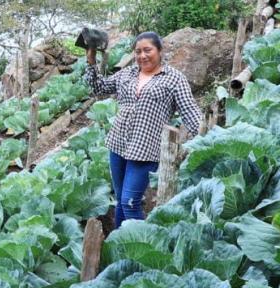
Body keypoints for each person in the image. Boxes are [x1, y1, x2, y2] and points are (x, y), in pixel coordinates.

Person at [85, 31, 201, 228]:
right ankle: (120, 245)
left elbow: (190, 112)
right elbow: (98, 88)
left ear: (160, 50)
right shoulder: (128, 73)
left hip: (146, 150)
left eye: (148, 50)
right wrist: (91, 58)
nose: (142, 56)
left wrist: (205, 139)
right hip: (118, 143)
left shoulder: (174, 79)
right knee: (121, 200)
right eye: (138, 52)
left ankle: (144, 245)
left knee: (130, 202)